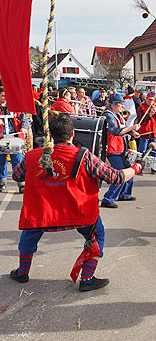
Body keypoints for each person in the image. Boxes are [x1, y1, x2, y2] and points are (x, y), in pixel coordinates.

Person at [9, 113, 143, 291]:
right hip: (78, 212)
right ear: (72, 134)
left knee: (30, 233)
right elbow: (115, 177)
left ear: (51, 135)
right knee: (96, 235)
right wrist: (136, 167)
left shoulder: (33, 156)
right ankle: (87, 279)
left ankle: (22, 273)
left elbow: (17, 175)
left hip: (42, 212)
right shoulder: (85, 156)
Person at [100, 93, 141, 208]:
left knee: (130, 171)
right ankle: (108, 199)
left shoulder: (117, 115)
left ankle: (125, 194)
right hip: (112, 149)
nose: (123, 107)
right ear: (113, 104)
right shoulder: (108, 115)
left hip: (121, 148)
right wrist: (132, 128)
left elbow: (123, 128)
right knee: (120, 174)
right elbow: (116, 131)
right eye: (121, 105)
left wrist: (132, 132)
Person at [0, 87, 29, 193]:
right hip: (1, 137)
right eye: (3, 95)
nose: (5, 98)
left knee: (18, 160)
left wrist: (24, 128)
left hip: (14, 137)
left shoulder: (15, 108)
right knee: (1, 160)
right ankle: (2, 181)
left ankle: (21, 183)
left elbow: (24, 120)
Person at [136, 93, 156, 173]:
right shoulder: (141, 107)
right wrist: (149, 114)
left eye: (153, 100)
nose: (151, 102)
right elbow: (141, 120)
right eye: (149, 100)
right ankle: (139, 168)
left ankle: (154, 168)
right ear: (146, 99)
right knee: (142, 151)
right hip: (145, 132)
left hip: (153, 132)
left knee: (154, 152)